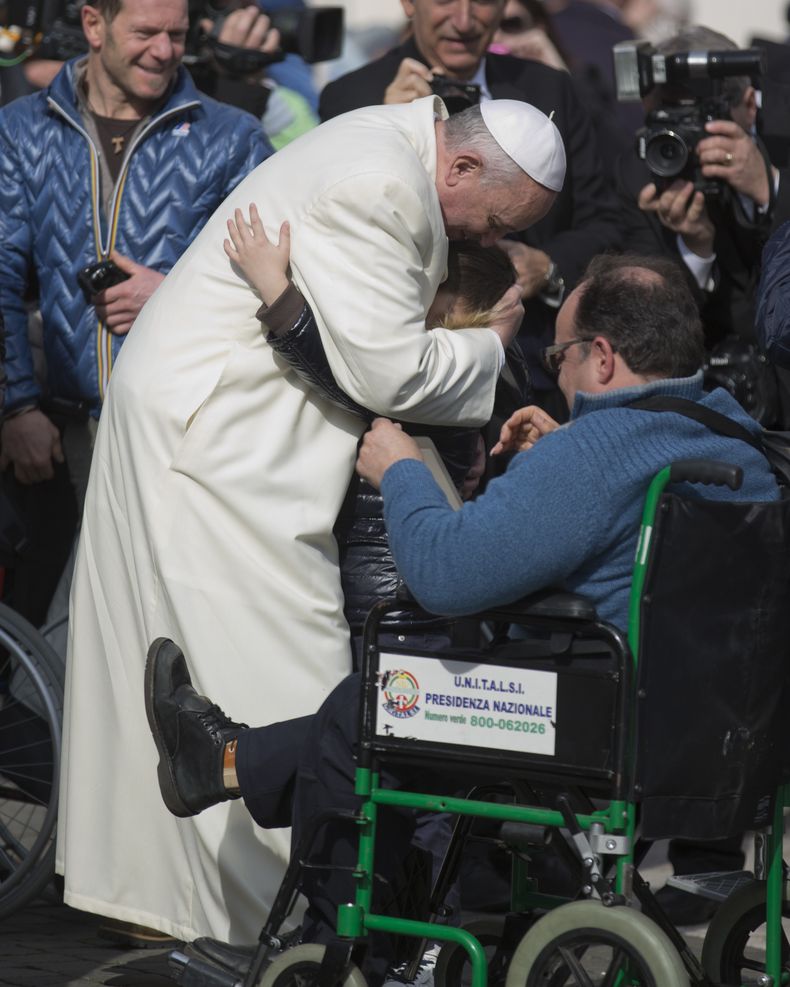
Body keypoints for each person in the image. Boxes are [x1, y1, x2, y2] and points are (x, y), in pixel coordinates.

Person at [143, 253, 779, 984]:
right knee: (384, 700)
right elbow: (605, 528)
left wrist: (402, 466)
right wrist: (547, 467)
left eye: (561, 357)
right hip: (718, 731)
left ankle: (342, 940)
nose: (558, 376)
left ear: (603, 357)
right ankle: (222, 760)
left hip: (595, 728)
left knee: (370, 708)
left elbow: (447, 573)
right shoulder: (736, 437)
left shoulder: (597, 453)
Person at [58, 96, 566, 946]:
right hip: (218, 442)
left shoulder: (393, 147)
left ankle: (228, 911)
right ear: (463, 167)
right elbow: (386, 373)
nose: (483, 242)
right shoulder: (385, 185)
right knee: (298, 681)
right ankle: (288, 921)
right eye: (490, 222)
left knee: (248, 669)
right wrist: (489, 344)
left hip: (227, 435)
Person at [0, 0, 271, 628]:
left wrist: (173, 292)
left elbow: (277, 279)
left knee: (147, 623)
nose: (164, 50)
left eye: (177, 35)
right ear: (94, 25)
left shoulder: (230, 135)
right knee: (53, 618)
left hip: (181, 430)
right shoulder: (22, 128)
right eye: (145, 32)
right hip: (57, 430)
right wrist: (15, 406)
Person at [318, 0, 621, 416]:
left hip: (536, 369)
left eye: (482, 1)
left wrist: (547, 266)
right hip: (415, 378)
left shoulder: (549, 89)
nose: (463, 21)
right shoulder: (355, 98)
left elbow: (607, 222)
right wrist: (390, 128)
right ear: (409, 4)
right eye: (444, 0)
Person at [616, 25, 790, 428]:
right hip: (723, 394)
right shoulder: (642, 165)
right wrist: (694, 250)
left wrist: (773, 188)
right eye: (667, 117)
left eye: (698, 122)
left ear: (748, 104)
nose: (685, 137)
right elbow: (655, 318)